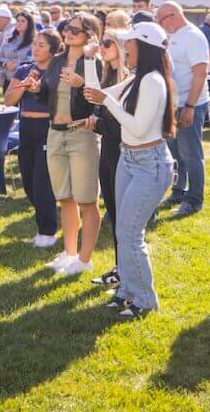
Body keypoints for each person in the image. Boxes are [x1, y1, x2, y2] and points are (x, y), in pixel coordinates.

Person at [83, 21, 176, 318]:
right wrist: (88, 59)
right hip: (130, 159)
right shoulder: (139, 78)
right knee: (124, 231)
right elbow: (94, 92)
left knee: (130, 232)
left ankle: (145, 298)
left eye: (130, 43)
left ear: (143, 46)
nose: (125, 48)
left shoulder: (152, 82)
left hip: (150, 163)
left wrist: (108, 101)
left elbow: (136, 125)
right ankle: (127, 291)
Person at [32, 12, 104, 273]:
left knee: (86, 200)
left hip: (81, 134)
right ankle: (69, 252)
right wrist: (37, 90)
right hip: (55, 132)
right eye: (68, 28)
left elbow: (102, 97)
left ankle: (84, 261)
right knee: (65, 198)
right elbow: (49, 97)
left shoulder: (93, 61)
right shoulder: (56, 61)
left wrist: (82, 81)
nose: (69, 32)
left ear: (89, 34)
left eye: (76, 29)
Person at [5, 28, 63, 248]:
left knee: (42, 180)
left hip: (47, 128)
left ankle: (47, 232)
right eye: (35, 44)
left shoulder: (58, 71)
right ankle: (48, 215)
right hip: (26, 128)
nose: (35, 48)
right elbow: (9, 100)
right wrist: (24, 84)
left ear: (53, 50)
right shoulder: (24, 69)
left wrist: (39, 88)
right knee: (28, 180)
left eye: (41, 45)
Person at [156, 1, 209, 216]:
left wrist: (190, 106)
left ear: (172, 15)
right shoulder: (174, 36)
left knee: (191, 153)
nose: (160, 24)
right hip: (174, 104)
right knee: (176, 152)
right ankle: (179, 190)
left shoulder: (193, 36)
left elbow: (200, 73)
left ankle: (194, 199)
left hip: (190, 103)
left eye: (160, 20)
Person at [87, 28, 129, 285]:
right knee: (113, 210)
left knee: (124, 217)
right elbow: (94, 97)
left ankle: (126, 271)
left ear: (122, 47)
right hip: (108, 149)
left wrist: (97, 123)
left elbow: (119, 124)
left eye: (107, 43)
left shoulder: (127, 79)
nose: (102, 46)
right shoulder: (108, 75)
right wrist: (91, 60)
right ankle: (120, 268)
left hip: (121, 151)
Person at [0, 10, 35, 91]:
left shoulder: (34, 42)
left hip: (23, 81)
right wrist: (6, 63)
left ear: (29, 24)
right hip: (7, 80)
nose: (19, 23)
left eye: (23, 21)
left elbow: (33, 61)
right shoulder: (9, 39)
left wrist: (16, 65)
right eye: (17, 20)